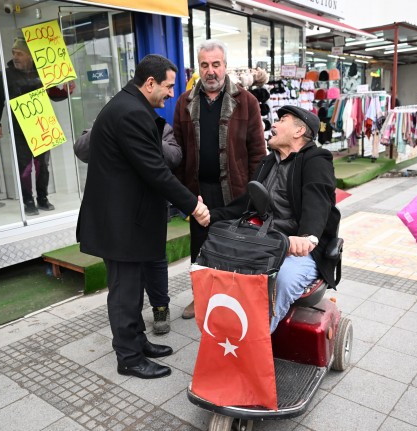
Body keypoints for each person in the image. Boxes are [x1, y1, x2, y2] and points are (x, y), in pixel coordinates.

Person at [77, 54, 210, 379]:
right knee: (125, 292)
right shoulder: (131, 113)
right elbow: (154, 170)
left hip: (126, 221)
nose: (170, 93)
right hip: (118, 224)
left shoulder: (131, 106)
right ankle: (129, 357)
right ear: (149, 83)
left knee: (133, 289)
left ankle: (137, 341)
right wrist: (193, 205)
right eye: (167, 86)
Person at [210, 105, 340, 332]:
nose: (275, 124)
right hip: (264, 241)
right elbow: (246, 202)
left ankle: (254, 342)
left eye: (283, 120)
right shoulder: (268, 162)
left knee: (282, 280)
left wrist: (307, 237)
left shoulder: (316, 159)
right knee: (222, 264)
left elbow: (317, 200)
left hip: (297, 248)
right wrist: (210, 215)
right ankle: (228, 330)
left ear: (299, 132)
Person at [173, 39, 266, 319]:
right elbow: (177, 149)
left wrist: (252, 192)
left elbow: (258, 153)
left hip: (235, 191)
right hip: (199, 191)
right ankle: (200, 298)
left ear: (225, 66)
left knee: (233, 245)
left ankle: (232, 299)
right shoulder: (185, 102)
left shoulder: (246, 101)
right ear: (198, 68)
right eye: (205, 65)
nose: (210, 71)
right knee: (199, 246)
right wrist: (183, 193)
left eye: (216, 64)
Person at [73, 123, 180, 334]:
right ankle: (131, 318)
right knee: (122, 267)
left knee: (155, 260)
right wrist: (107, 126)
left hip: (150, 208)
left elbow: (174, 157)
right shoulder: (103, 123)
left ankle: (160, 307)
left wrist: (142, 134)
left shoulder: (157, 125)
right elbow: (82, 150)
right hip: (115, 211)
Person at [0, 37, 72, 216]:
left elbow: (54, 95)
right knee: (25, 166)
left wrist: (66, 91)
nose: (16, 57)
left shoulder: (42, 71)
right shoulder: (7, 75)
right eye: (14, 53)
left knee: (43, 165)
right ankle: (28, 200)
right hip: (20, 128)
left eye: (19, 53)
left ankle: (42, 198)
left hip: (42, 126)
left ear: (29, 56)